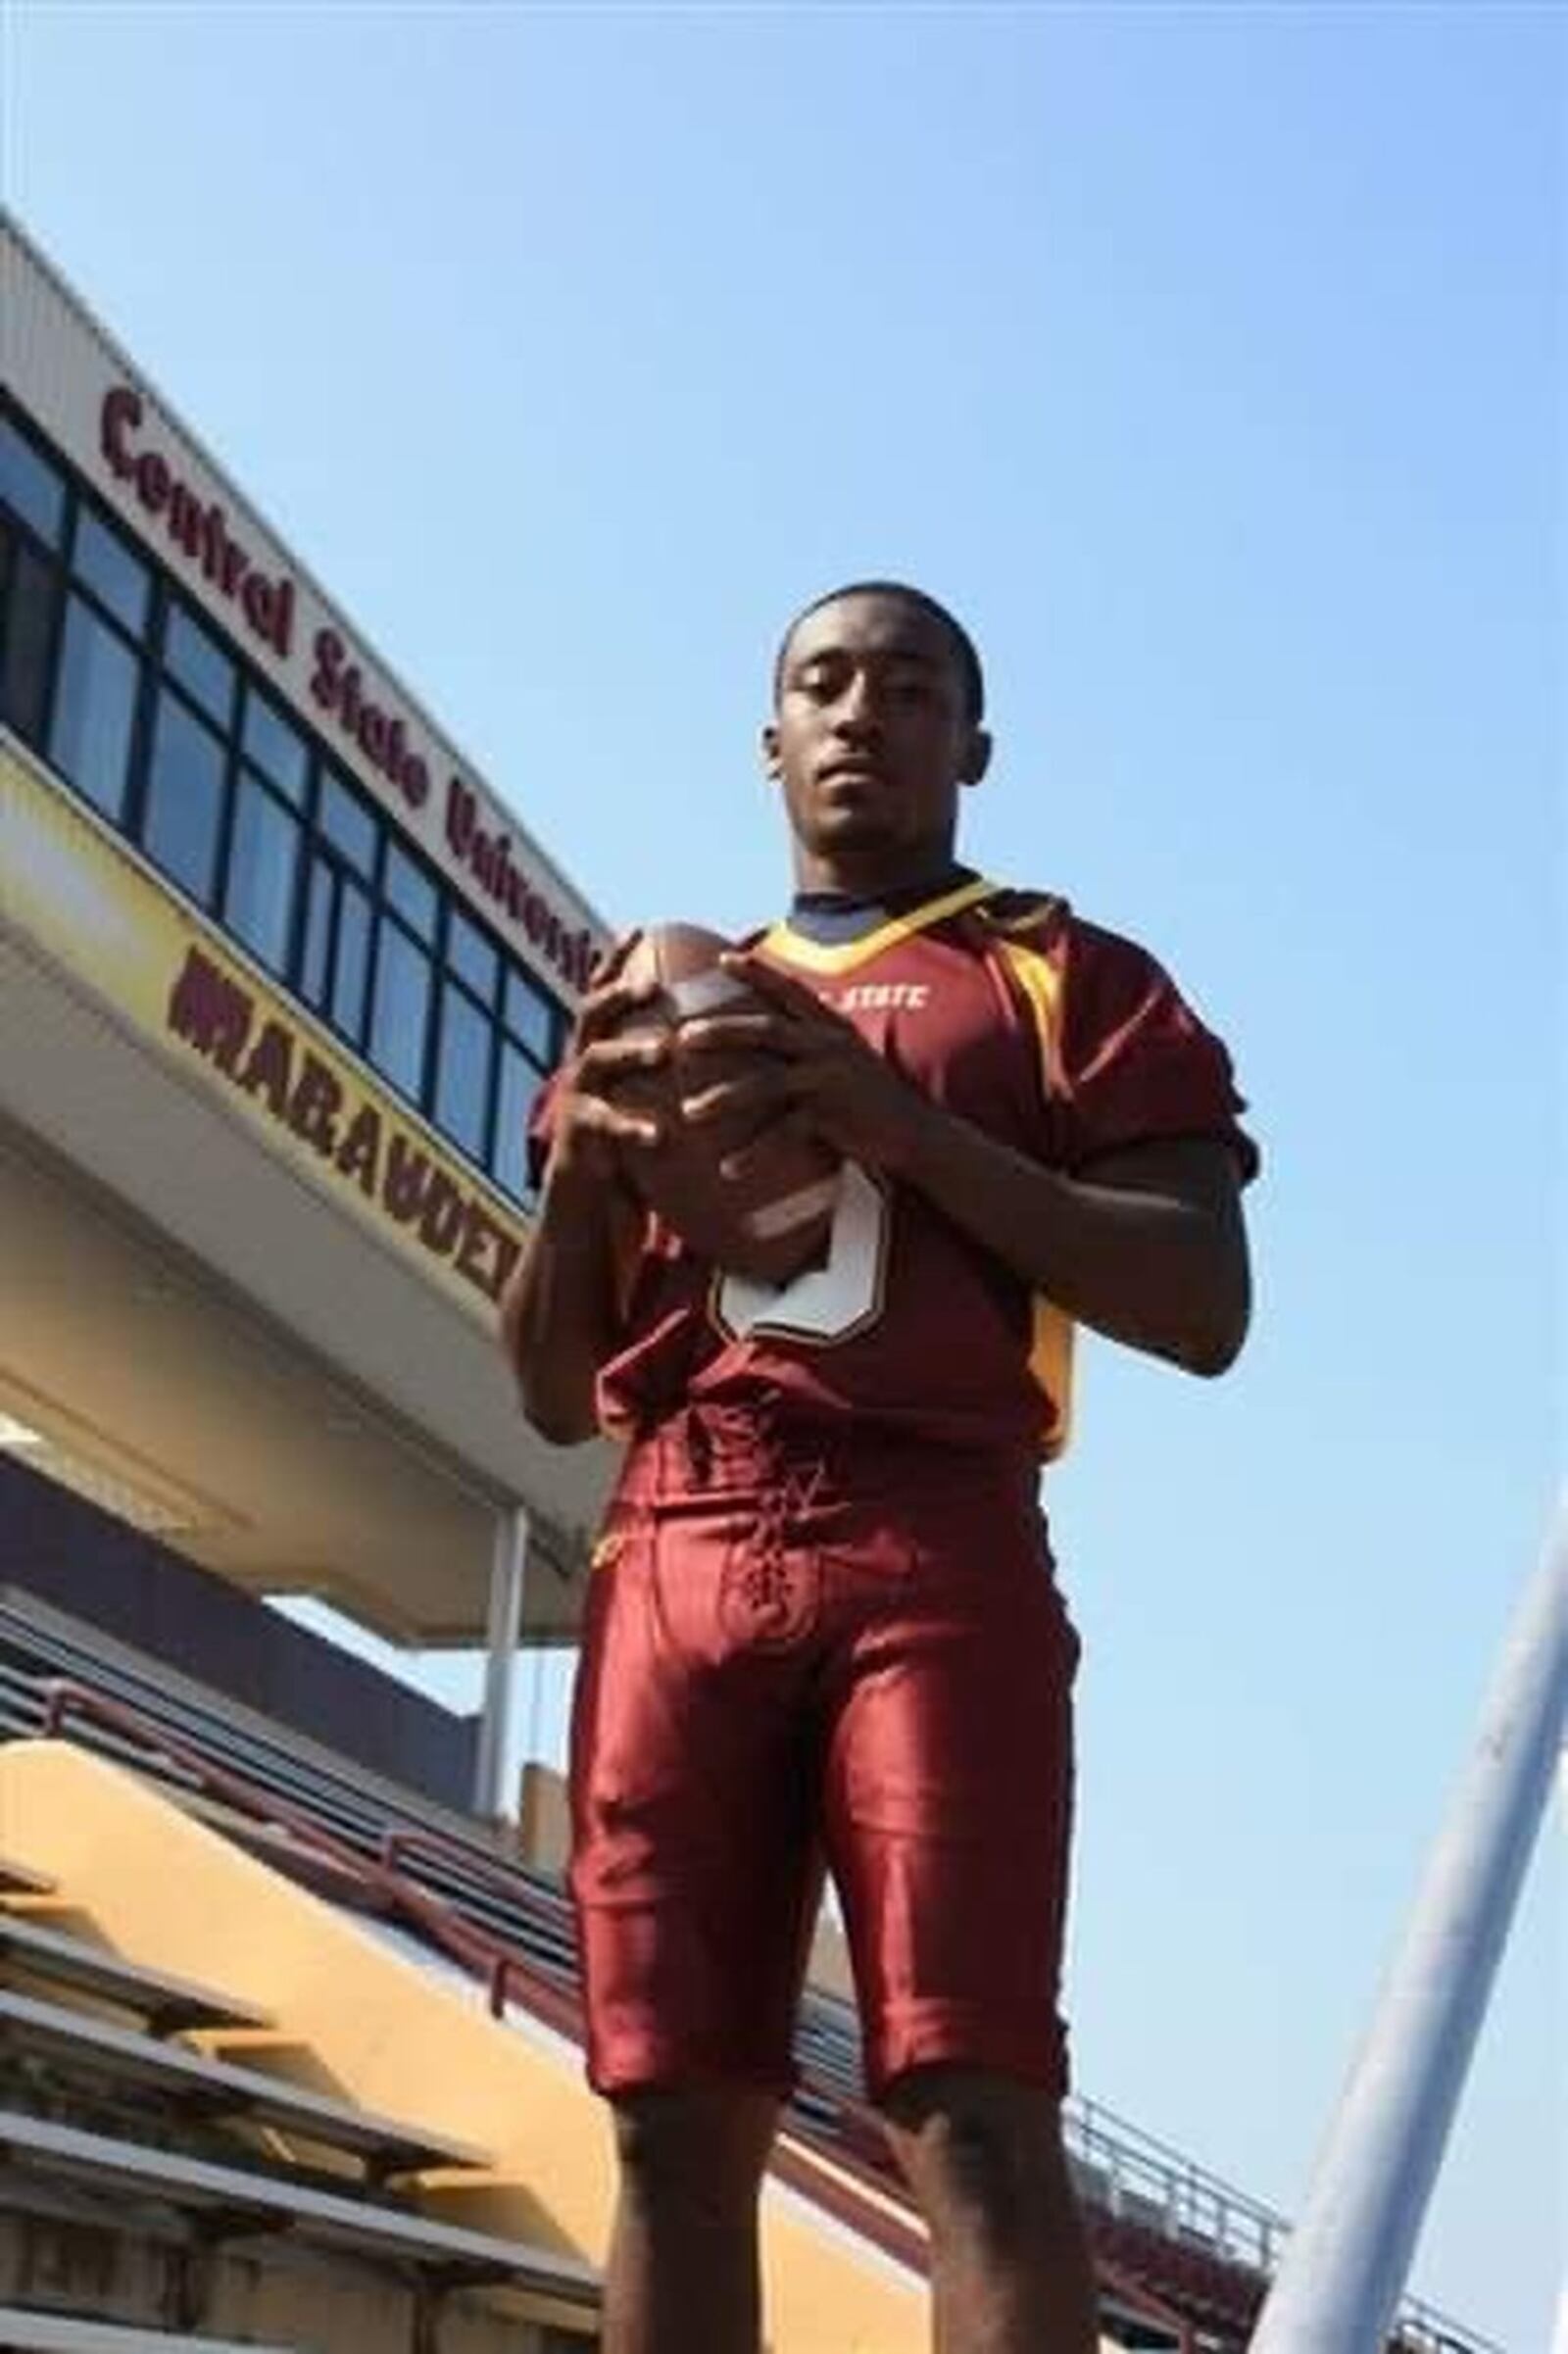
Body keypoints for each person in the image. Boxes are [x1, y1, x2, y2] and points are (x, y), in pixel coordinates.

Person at [500, 582, 1258, 2354]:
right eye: (821, 684)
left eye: (907, 686)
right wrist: (584, 1177)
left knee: (973, 2106)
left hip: (933, 1526)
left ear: (972, 745)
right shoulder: (660, 1002)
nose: (861, 713)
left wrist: (896, 1124)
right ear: (769, 740)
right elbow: (549, 1389)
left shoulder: (1066, 974)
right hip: (674, 1529)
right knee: (669, 2120)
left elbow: (1205, 1302)